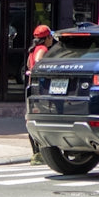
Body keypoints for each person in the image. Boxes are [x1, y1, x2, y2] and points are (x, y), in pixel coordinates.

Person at [26, 25, 56, 164]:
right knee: (43, 119)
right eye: (51, 37)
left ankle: (36, 153)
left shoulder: (32, 50)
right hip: (41, 89)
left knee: (32, 119)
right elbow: (38, 62)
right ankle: (40, 153)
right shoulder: (43, 49)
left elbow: (28, 65)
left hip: (31, 87)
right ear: (47, 38)